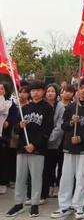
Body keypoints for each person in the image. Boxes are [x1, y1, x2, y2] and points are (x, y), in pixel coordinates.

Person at [51, 78, 84, 219]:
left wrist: (81, 138)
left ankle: (78, 206)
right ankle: (64, 206)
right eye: (81, 88)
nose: (83, 90)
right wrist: (71, 122)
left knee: (81, 177)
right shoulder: (71, 107)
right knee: (66, 177)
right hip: (69, 147)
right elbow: (63, 126)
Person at [6, 81, 54, 218]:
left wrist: (35, 145)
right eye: (33, 91)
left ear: (43, 91)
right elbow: (15, 129)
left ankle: (34, 204)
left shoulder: (47, 108)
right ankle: (18, 204)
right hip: (22, 148)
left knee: (36, 178)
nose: (35, 93)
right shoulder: (25, 108)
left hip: (37, 150)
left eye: (38, 90)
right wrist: (20, 126)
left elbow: (47, 129)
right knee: (20, 177)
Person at [0, 82, 13, 195]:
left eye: (2, 89)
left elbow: (2, 109)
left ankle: (3, 182)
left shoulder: (9, 102)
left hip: (4, 136)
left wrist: (8, 122)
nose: (0, 91)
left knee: (3, 161)